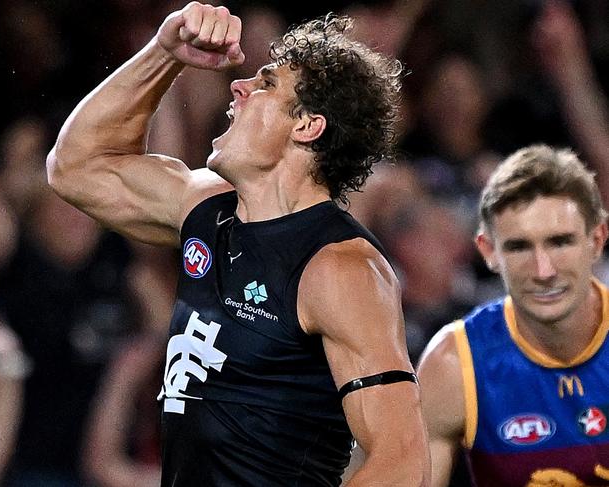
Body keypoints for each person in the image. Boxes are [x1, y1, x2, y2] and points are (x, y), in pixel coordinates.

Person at [46, 2, 429, 486]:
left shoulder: (340, 268)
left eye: (265, 84)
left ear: (307, 125)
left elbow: (403, 461)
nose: (238, 86)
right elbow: (74, 166)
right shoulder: (204, 206)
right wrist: (165, 53)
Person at [417, 144, 609, 487]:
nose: (543, 270)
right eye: (519, 247)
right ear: (488, 252)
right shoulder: (453, 363)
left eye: (560, 242)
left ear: (596, 240)